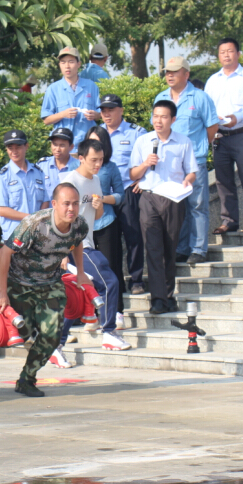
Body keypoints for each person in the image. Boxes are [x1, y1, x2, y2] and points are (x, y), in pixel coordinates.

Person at [0, 183, 89, 397]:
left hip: (50, 283)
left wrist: (80, 272)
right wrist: (2, 291)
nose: (71, 209)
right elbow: (5, 253)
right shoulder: (34, 224)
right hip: (20, 283)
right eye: (66, 204)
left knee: (52, 335)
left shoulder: (79, 225)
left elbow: (77, 242)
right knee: (21, 332)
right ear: (54, 204)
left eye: (75, 204)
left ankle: (27, 379)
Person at [129, 101, 198, 315]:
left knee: (170, 249)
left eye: (164, 117)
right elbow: (132, 175)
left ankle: (168, 296)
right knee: (153, 248)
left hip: (174, 199)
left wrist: (188, 179)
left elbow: (192, 171)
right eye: (155, 116)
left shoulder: (183, 142)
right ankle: (157, 299)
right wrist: (145, 164)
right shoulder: (143, 141)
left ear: (173, 119)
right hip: (149, 197)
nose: (158, 121)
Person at [61, 139, 128, 354]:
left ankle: (56, 345)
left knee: (77, 298)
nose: (97, 164)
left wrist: (99, 207)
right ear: (80, 158)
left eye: (100, 160)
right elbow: (59, 219)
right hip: (74, 246)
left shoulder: (96, 180)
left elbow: (96, 216)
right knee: (109, 281)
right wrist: (62, 251)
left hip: (86, 242)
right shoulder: (70, 183)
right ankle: (108, 333)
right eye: (93, 160)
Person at [154, 57, 219, 265]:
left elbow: (212, 128)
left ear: (186, 74)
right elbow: (157, 128)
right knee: (175, 206)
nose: (169, 75)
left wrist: (196, 149)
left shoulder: (200, 98)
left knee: (197, 205)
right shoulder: (161, 97)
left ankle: (199, 248)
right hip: (169, 163)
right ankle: (181, 248)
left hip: (194, 161)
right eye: (167, 72)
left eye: (174, 71)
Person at [204, 38, 243, 235]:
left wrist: (237, 117)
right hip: (220, 136)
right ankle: (228, 220)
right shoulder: (213, 81)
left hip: (242, 133)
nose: (226, 55)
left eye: (230, 51)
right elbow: (207, 109)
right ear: (218, 56)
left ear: (238, 54)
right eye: (222, 52)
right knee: (223, 180)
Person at [99, 94, 148, 296]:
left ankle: (136, 279)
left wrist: (144, 181)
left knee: (133, 236)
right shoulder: (97, 134)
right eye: (103, 110)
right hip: (103, 195)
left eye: (111, 109)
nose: (107, 114)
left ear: (121, 110)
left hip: (128, 190)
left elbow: (149, 160)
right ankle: (112, 280)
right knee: (108, 240)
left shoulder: (136, 133)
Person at [86, 127, 125, 321]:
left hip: (107, 222)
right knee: (89, 271)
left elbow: (120, 195)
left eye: (98, 143)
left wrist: (103, 199)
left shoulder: (110, 167)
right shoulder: (79, 170)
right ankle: (92, 312)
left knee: (111, 267)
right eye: (91, 142)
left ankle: (117, 311)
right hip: (86, 227)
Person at [0, 130, 48, 243]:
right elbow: (2, 210)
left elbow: (45, 201)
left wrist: (38, 221)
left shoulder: (38, 172)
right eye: (10, 148)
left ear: (26, 146)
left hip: (37, 236)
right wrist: (31, 218)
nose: (14, 151)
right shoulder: (1, 177)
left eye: (18, 147)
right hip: (14, 238)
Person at [41, 47, 101, 147]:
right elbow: (46, 120)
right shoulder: (53, 89)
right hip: (63, 146)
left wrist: (95, 115)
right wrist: (63, 114)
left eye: (71, 62)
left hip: (87, 144)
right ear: (59, 65)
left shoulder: (91, 86)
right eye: (63, 62)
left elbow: (102, 114)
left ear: (79, 64)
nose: (67, 66)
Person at [37, 127, 80, 200]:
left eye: (62, 145)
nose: (57, 149)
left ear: (71, 147)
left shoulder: (79, 167)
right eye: (55, 144)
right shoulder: (42, 165)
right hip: (46, 210)